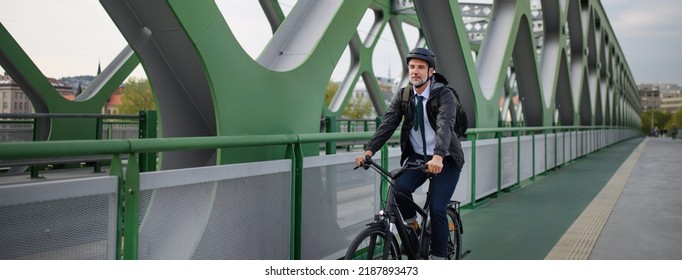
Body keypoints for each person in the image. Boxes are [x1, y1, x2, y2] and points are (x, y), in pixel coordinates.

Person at [354, 47, 465, 260]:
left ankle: (438, 259)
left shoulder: (445, 95)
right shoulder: (404, 95)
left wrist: (439, 156)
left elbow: (445, 124)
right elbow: (387, 124)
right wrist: (368, 151)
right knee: (399, 188)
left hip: (446, 158)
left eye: (421, 67)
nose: (415, 71)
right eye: (412, 67)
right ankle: (413, 226)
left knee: (437, 208)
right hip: (418, 157)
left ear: (431, 72)